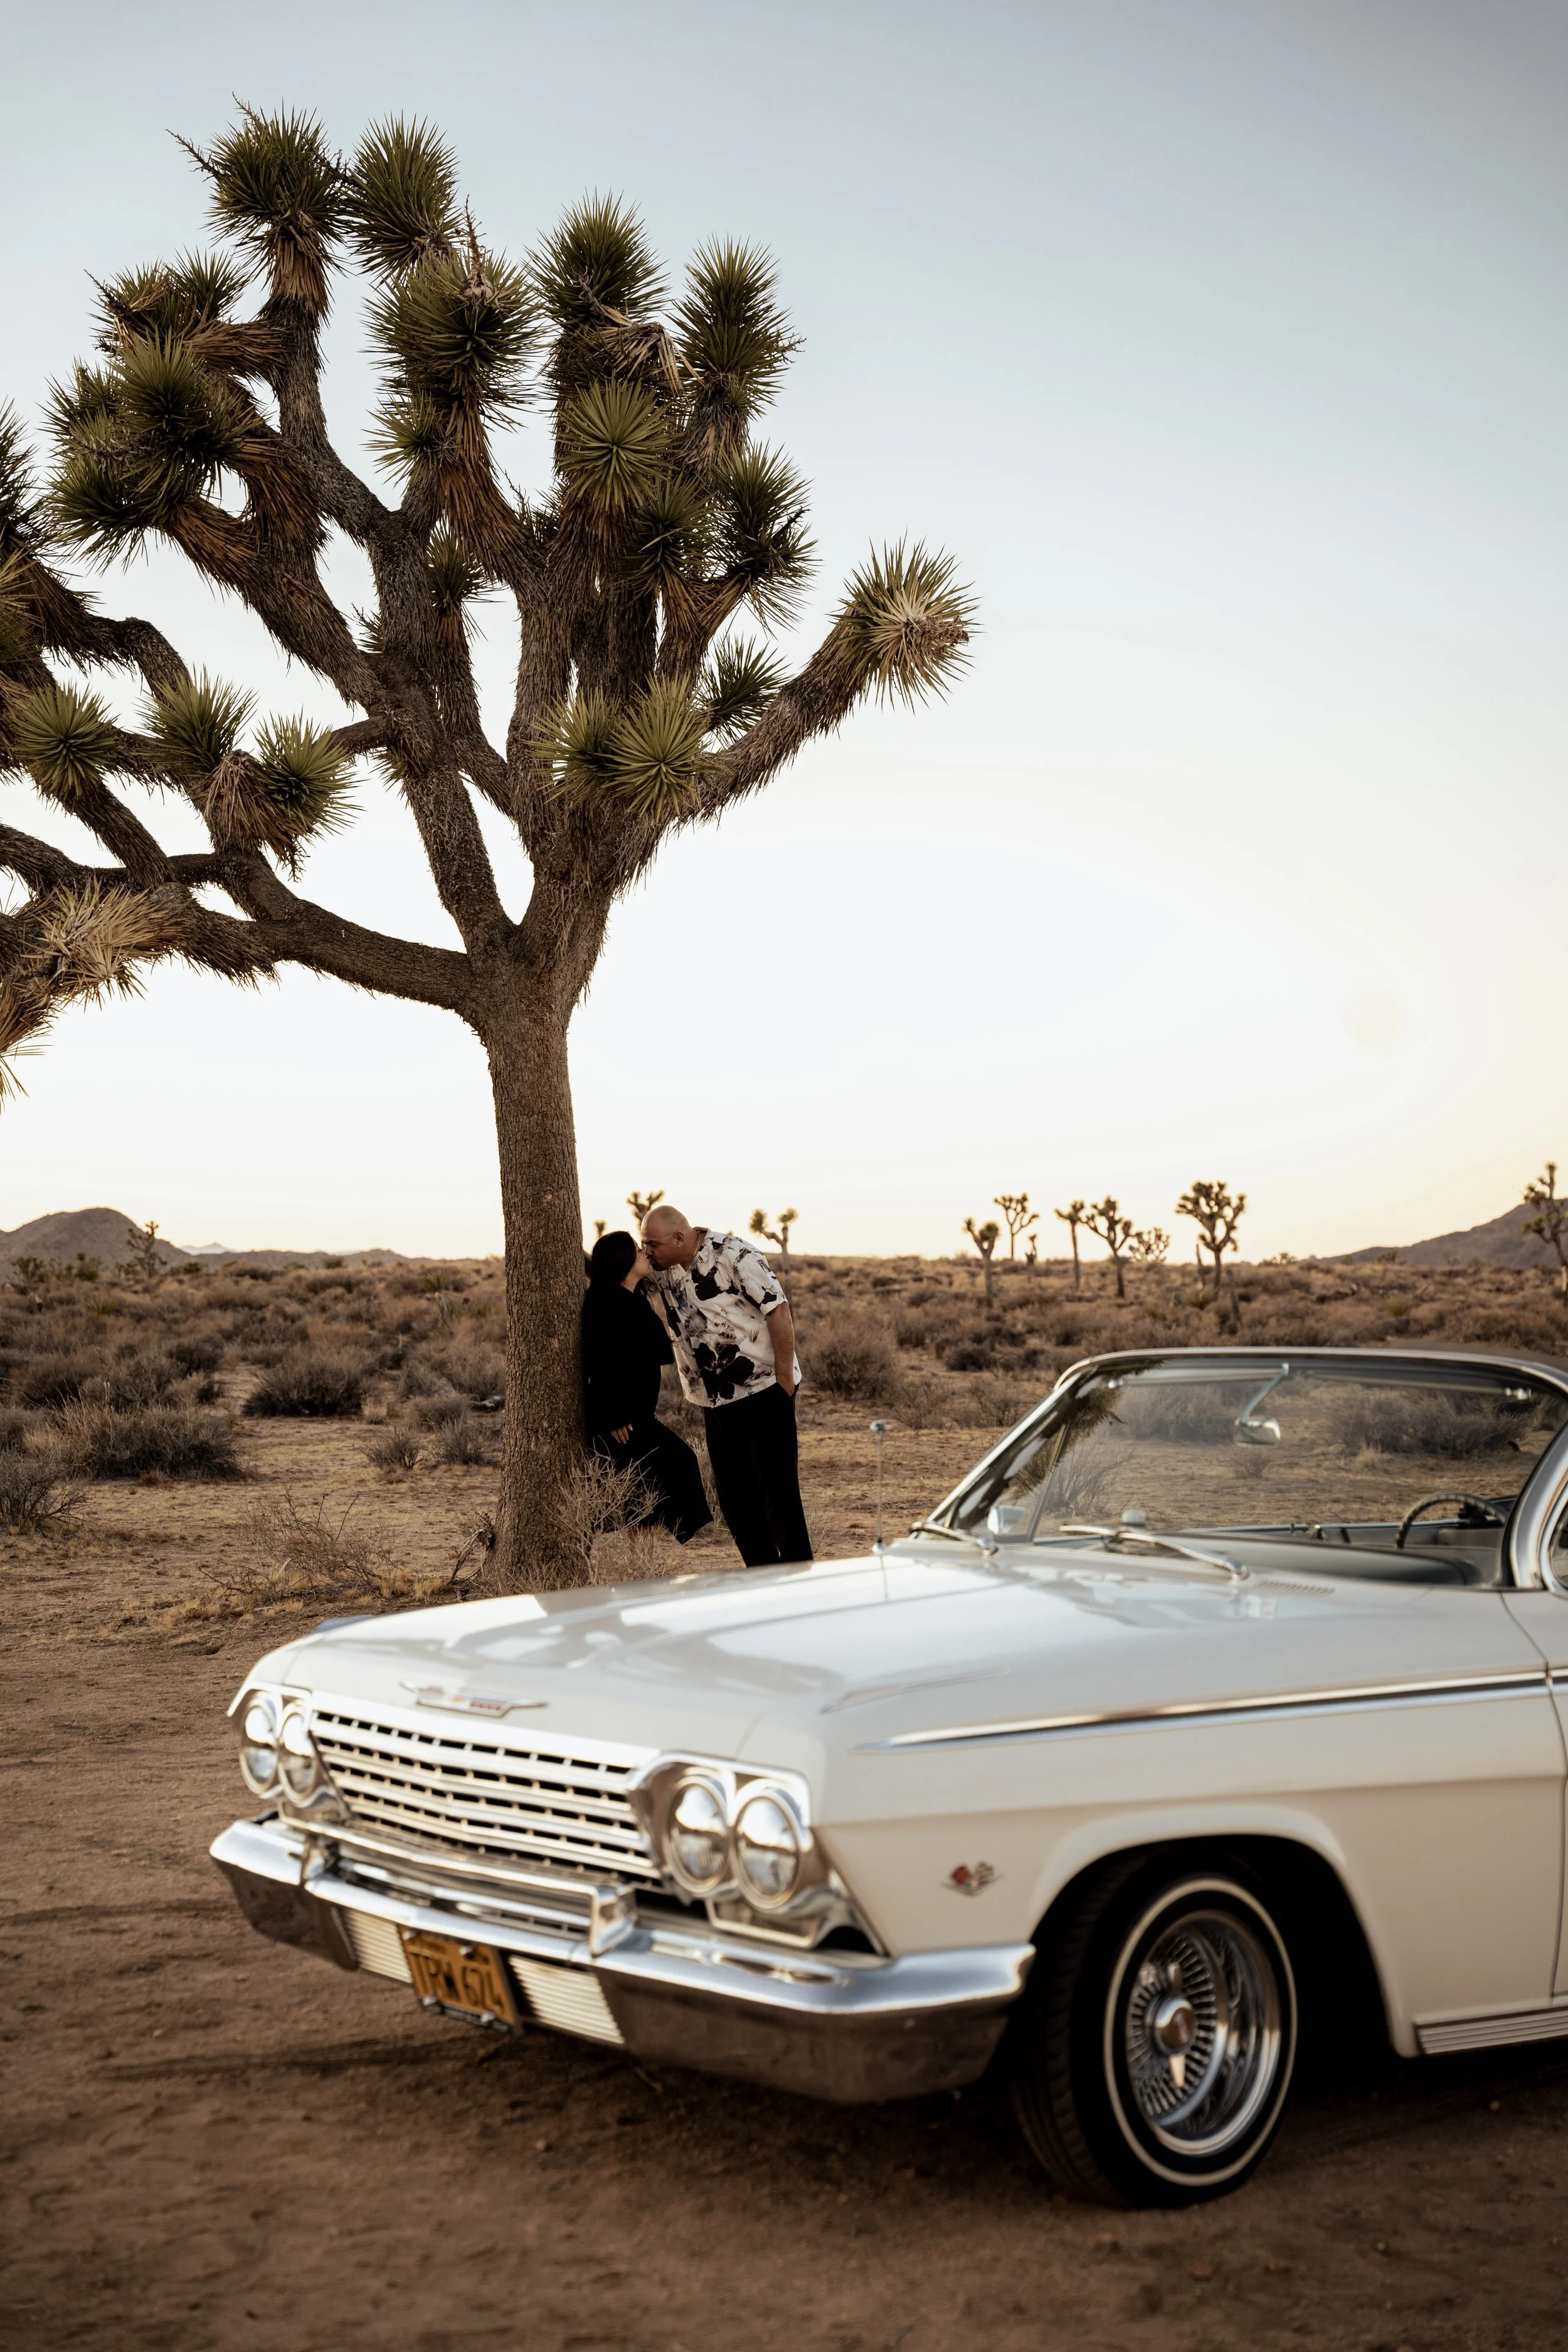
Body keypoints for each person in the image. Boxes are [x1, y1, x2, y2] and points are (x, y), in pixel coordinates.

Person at [640, 1206, 812, 1569]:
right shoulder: (661, 1271)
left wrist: (783, 1381)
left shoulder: (735, 1254)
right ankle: (762, 1574)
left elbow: (778, 1311)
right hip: (713, 1400)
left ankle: (799, 1577)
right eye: (643, 1244)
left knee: (778, 1493)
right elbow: (614, 1269)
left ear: (679, 1238)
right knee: (735, 1497)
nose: (647, 1251)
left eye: (652, 1243)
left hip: (765, 1389)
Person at [580, 1232, 712, 1545]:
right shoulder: (604, 1301)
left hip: (636, 1415)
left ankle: (643, 1561)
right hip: (621, 1421)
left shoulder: (629, 1296)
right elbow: (597, 1361)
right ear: (623, 1261)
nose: (645, 1254)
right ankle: (643, 1560)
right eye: (638, 1250)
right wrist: (612, 1416)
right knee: (675, 1464)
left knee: (643, 1490)